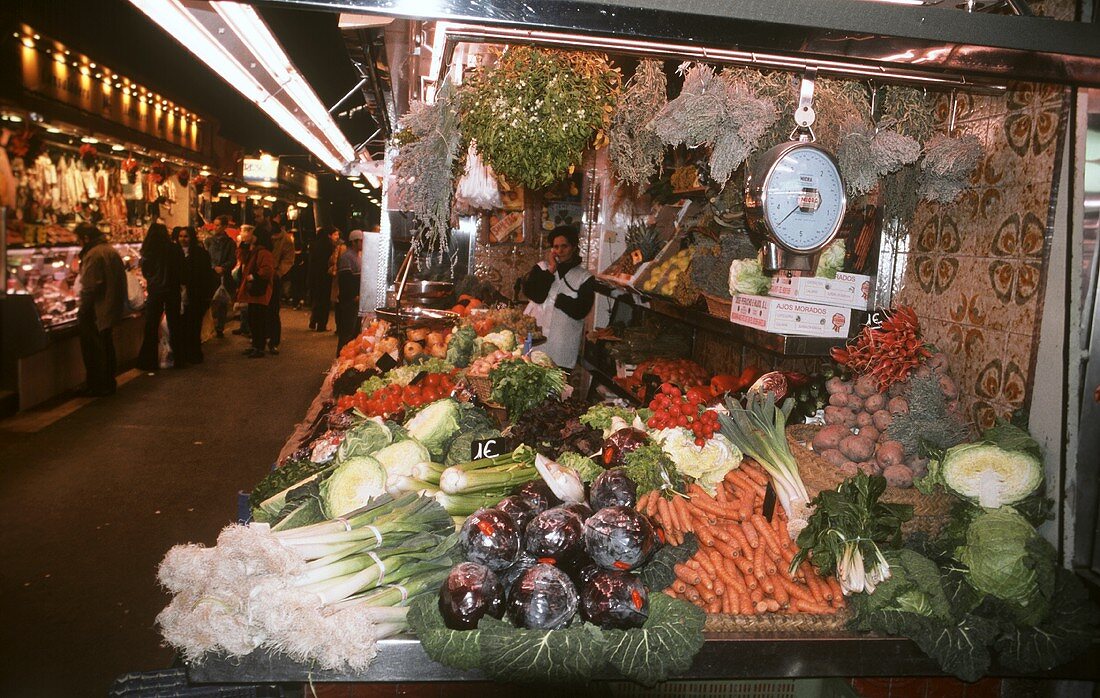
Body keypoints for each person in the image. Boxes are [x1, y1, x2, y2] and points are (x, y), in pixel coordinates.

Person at [522, 225, 594, 370]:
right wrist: (551, 270)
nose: (560, 251)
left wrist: (559, 300)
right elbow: (536, 295)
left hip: (562, 347)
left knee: (557, 390)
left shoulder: (584, 277)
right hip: (536, 346)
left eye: (564, 246)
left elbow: (581, 310)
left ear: (573, 247)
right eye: (556, 247)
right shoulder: (541, 268)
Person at [75, 223, 127, 396]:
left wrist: (82, 309)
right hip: (110, 307)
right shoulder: (110, 250)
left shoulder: (94, 254)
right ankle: (108, 381)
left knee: (94, 349)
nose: (79, 243)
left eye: (79, 240)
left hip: (98, 309)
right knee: (106, 345)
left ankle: (98, 385)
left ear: (86, 238)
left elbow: (91, 286)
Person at [137, 222, 184, 371]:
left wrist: (152, 281)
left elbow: (146, 272)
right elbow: (180, 269)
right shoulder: (175, 248)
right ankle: (179, 359)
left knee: (151, 326)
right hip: (172, 290)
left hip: (155, 291)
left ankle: (148, 361)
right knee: (175, 324)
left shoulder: (148, 250)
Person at [174, 226, 215, 364]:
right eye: (180, 236)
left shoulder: (200, 254)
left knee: (194, 325)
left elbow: (206, 275)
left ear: (191, 237)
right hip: (179, 294)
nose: (183, 239)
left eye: (186, 236)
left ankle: (194, 354)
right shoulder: (175, 252)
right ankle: (183, 354)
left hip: (196, 295)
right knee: (182, 326)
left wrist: (206, 295)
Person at [236, 227, 275, 358]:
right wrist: (244, 244)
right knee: (253, 320)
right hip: (253, 291)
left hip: (259, 290)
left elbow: (267, 270)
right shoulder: (254, 250)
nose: (248, 235)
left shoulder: (263, 252)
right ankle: (255, 345)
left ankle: (259, 347)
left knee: (259, 320)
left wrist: (253, 276)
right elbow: (241, 257)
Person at [267, 220, 295, 355]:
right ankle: (259, 340)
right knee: (260, 310)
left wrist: (278, 273)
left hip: (274, 277)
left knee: (273, 310)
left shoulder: (285, 240)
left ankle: (273, 341)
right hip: (262, 276)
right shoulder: (262, 236)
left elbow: (288, 259)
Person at [205, 215, 237, 338]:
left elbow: (233, 260)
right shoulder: (209, 241)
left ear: (224, 227)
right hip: (211, 275)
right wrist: (213, 267)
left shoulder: (230, 243)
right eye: (215, 224)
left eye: (218, 225)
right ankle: (210, 326)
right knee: (210, 301)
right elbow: (206, 257)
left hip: (224, 275)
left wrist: (223, 268)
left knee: (222, 302)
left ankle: (220, 327)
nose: (215, 227)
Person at [334, 229, 363, 353]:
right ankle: (340, 359)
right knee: (347, 333)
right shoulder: (347, 257)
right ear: (354, 242)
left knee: (354, 332)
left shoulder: (357, 256)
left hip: (356, 299)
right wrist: (353, 296)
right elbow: (345, 281)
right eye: (361, 241)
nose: (363, 244)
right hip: (350, 301)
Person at [308, 226, 336, 332]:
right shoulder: (329, 246)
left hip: (315, 276)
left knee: (317, 299)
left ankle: (313, 321)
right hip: (325, 276)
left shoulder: (314, 245)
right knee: (324, 301)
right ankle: (321, 324)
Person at [231, 225, 254, 337]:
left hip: (249, 273)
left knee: (248, 301)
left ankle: (248, 327)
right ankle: (244, 325)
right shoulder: (243, 244)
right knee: (243, 300)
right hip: (243, 271)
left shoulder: (252, 246)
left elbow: (243, 257)